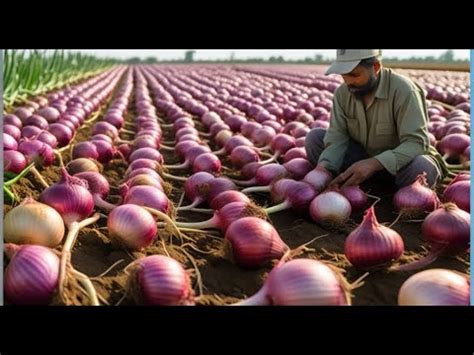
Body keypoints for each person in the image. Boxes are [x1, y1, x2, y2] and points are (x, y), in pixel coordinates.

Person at [305, 49, 447, 188]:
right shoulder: (342, 93)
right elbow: (337, 136)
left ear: (376, 67)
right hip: (362, 159)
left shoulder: (404, 90)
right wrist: (324, 168)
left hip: (400, 166)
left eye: (354, 75)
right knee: (315, 138)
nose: (348, 82)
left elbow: (416, 143)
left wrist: (374, 163)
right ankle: (365, 181)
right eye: (343, 75)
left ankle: (399, 192)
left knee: (422, 166)